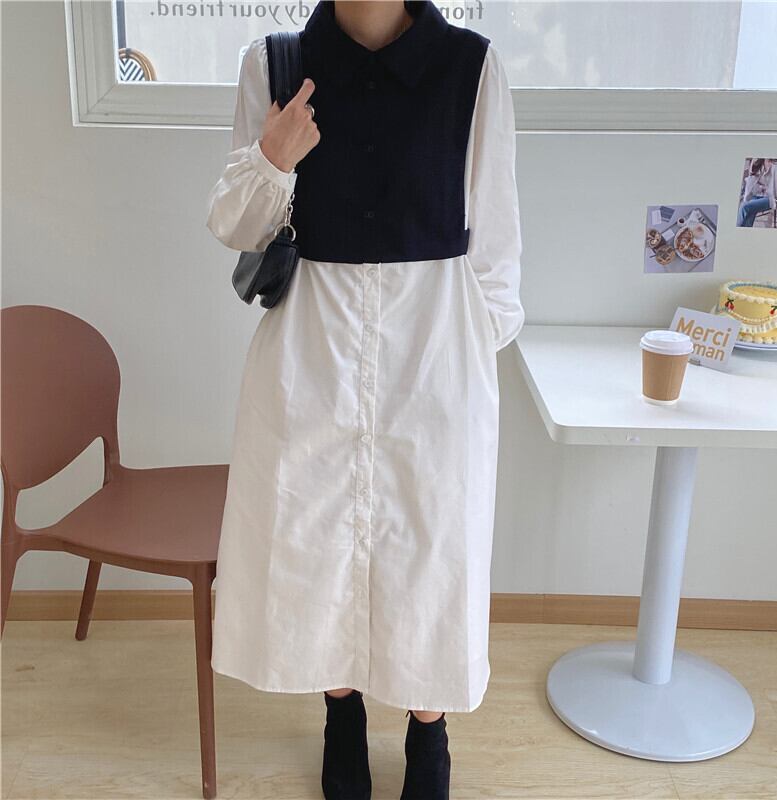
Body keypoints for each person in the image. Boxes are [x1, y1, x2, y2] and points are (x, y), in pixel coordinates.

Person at [205, 1, 524, 797]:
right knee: (314, 544)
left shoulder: (471, 67)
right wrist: (273, 158)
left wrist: (464, 358)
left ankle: (428, 726)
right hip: (309, 351)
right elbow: (238, 228)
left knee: (432, 550)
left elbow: (496, 247)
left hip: (435, 354)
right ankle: (340, 712)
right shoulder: (274, 64)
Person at [737, 158, 777, 227]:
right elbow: (750, 181)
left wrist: (764, 187)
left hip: (770, 198)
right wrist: (746, 197)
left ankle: (736, 228)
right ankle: (744, 231)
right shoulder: (757, 162)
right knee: (749, 211)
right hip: (756, 194)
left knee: (744, 207)